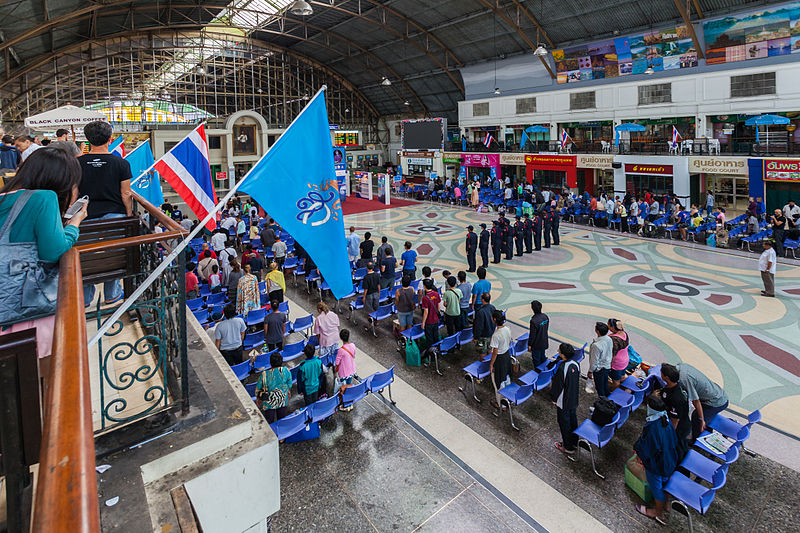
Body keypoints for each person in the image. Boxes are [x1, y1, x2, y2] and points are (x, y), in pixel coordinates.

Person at [0, 148, 87, 362]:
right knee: (41, 371)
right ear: (60, 180)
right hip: (25, 306)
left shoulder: (4, 198)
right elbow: (53, 251)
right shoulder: (43, 198)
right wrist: (74, 224)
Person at [78, 121, 133, 306]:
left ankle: (85, 299)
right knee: (114, 253)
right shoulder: (121, 163)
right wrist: (129, 214)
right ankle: (112, 294)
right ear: (110, 139)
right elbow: (126, 193)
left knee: (86, 255)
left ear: (87, 140)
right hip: (114, 215)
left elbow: (72, 192)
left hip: (85, 216)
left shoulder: (77, 163)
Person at [633, 396, 679, 525]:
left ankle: (658, 512)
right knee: (665, 482)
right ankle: (665, 505)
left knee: (656, 487)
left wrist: (639, 455)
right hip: (670, 460)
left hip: (657, 465)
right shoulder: (666, 420)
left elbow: (647, 448)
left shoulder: (653, 427)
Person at [663, 362, 729, 440]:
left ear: (667, 377)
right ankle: (706, 430)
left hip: (716, 401)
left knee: (697, 417)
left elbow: (696, 401)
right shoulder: (680, 367)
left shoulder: (684, 379)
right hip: (717, 393)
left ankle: (696, 440)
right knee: (700, 417)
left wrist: (701, 420)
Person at [657, 364, 691, 459]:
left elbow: (675, 420)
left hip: (680, 427)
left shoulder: (676, 397)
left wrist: (669, 434)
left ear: (666, 377)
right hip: (678, 420)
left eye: (661, 373)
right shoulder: (676, 387)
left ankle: (679, 467)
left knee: (678, 447)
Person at [551, 343, 580, 455]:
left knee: (564, 423)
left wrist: (554, 398)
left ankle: (568, 447)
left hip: (563, 401)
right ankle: (574, 442)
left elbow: (558, 386)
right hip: (573, 399)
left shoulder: (562, 367)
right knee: (573, 420)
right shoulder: (576, 364)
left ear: (562, 355)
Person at [256, 352, 292, 423]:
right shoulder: (286, 370)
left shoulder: (264, 374)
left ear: (270, 362)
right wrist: (288, 392)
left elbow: (258, 390)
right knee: (281, 419)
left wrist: (259, 399)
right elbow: (289, 385)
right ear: (281, 361)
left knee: (270, 420)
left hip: (269, 403)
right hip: (282, 400)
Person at [488, 310, 513, 410]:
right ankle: (508, 400)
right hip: (507, 356)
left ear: (494, 319)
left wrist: (491, 364)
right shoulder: (507, 329)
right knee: (507, 378)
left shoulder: (496, 335)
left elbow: (495, 352)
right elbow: (510, 340)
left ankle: (500, 404)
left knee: (498, 382)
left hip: (499, 359)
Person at [587, 322, 613, 398]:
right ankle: (607, 400)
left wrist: (590, 371)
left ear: (597, 331)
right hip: (607, 366)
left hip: (599, 369)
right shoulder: (609, 339)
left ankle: (603, 405)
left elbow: (594, 361)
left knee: (600, 388)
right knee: (605, 385)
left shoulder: (596, 345)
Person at [334, 329, 357, 400]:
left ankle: (343, 397)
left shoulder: (341, 350)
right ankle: (348, 396)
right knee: (348, 384)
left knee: (343, 386)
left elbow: (337, 362)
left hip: (344, 372)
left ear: (341, 338)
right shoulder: (353, 345)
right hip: (351, 369)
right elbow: (354, 355)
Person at [607, 318, 630, 391]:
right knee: (622, 376)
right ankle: (625, 386)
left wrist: (608, 365)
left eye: (608, 325)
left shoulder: (614, 340)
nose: (607, 326)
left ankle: (614, 393)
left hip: (617, 364)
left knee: (616, 381)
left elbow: (612, 355)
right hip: (625, 360)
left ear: (613, 327)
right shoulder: (624, 333)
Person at [420, 278, 442, 349]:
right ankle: (437, 350)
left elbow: (426, 312)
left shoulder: (425, 298)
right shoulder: (436, 294)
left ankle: (431, 353)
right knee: (435, 335)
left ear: (424, 286)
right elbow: (438, 306)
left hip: (429, 321)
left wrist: (423, 323)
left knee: (429, 338)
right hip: (436, 319)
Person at [528, 300, 549, 368]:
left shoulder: (533, 321)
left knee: (536, 360)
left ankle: (538, 372)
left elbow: (532, 335)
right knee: (542, 356)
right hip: (544, 341)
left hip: (537, 344)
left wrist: (530, 344)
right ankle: (544, 370)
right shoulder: (545, 317)